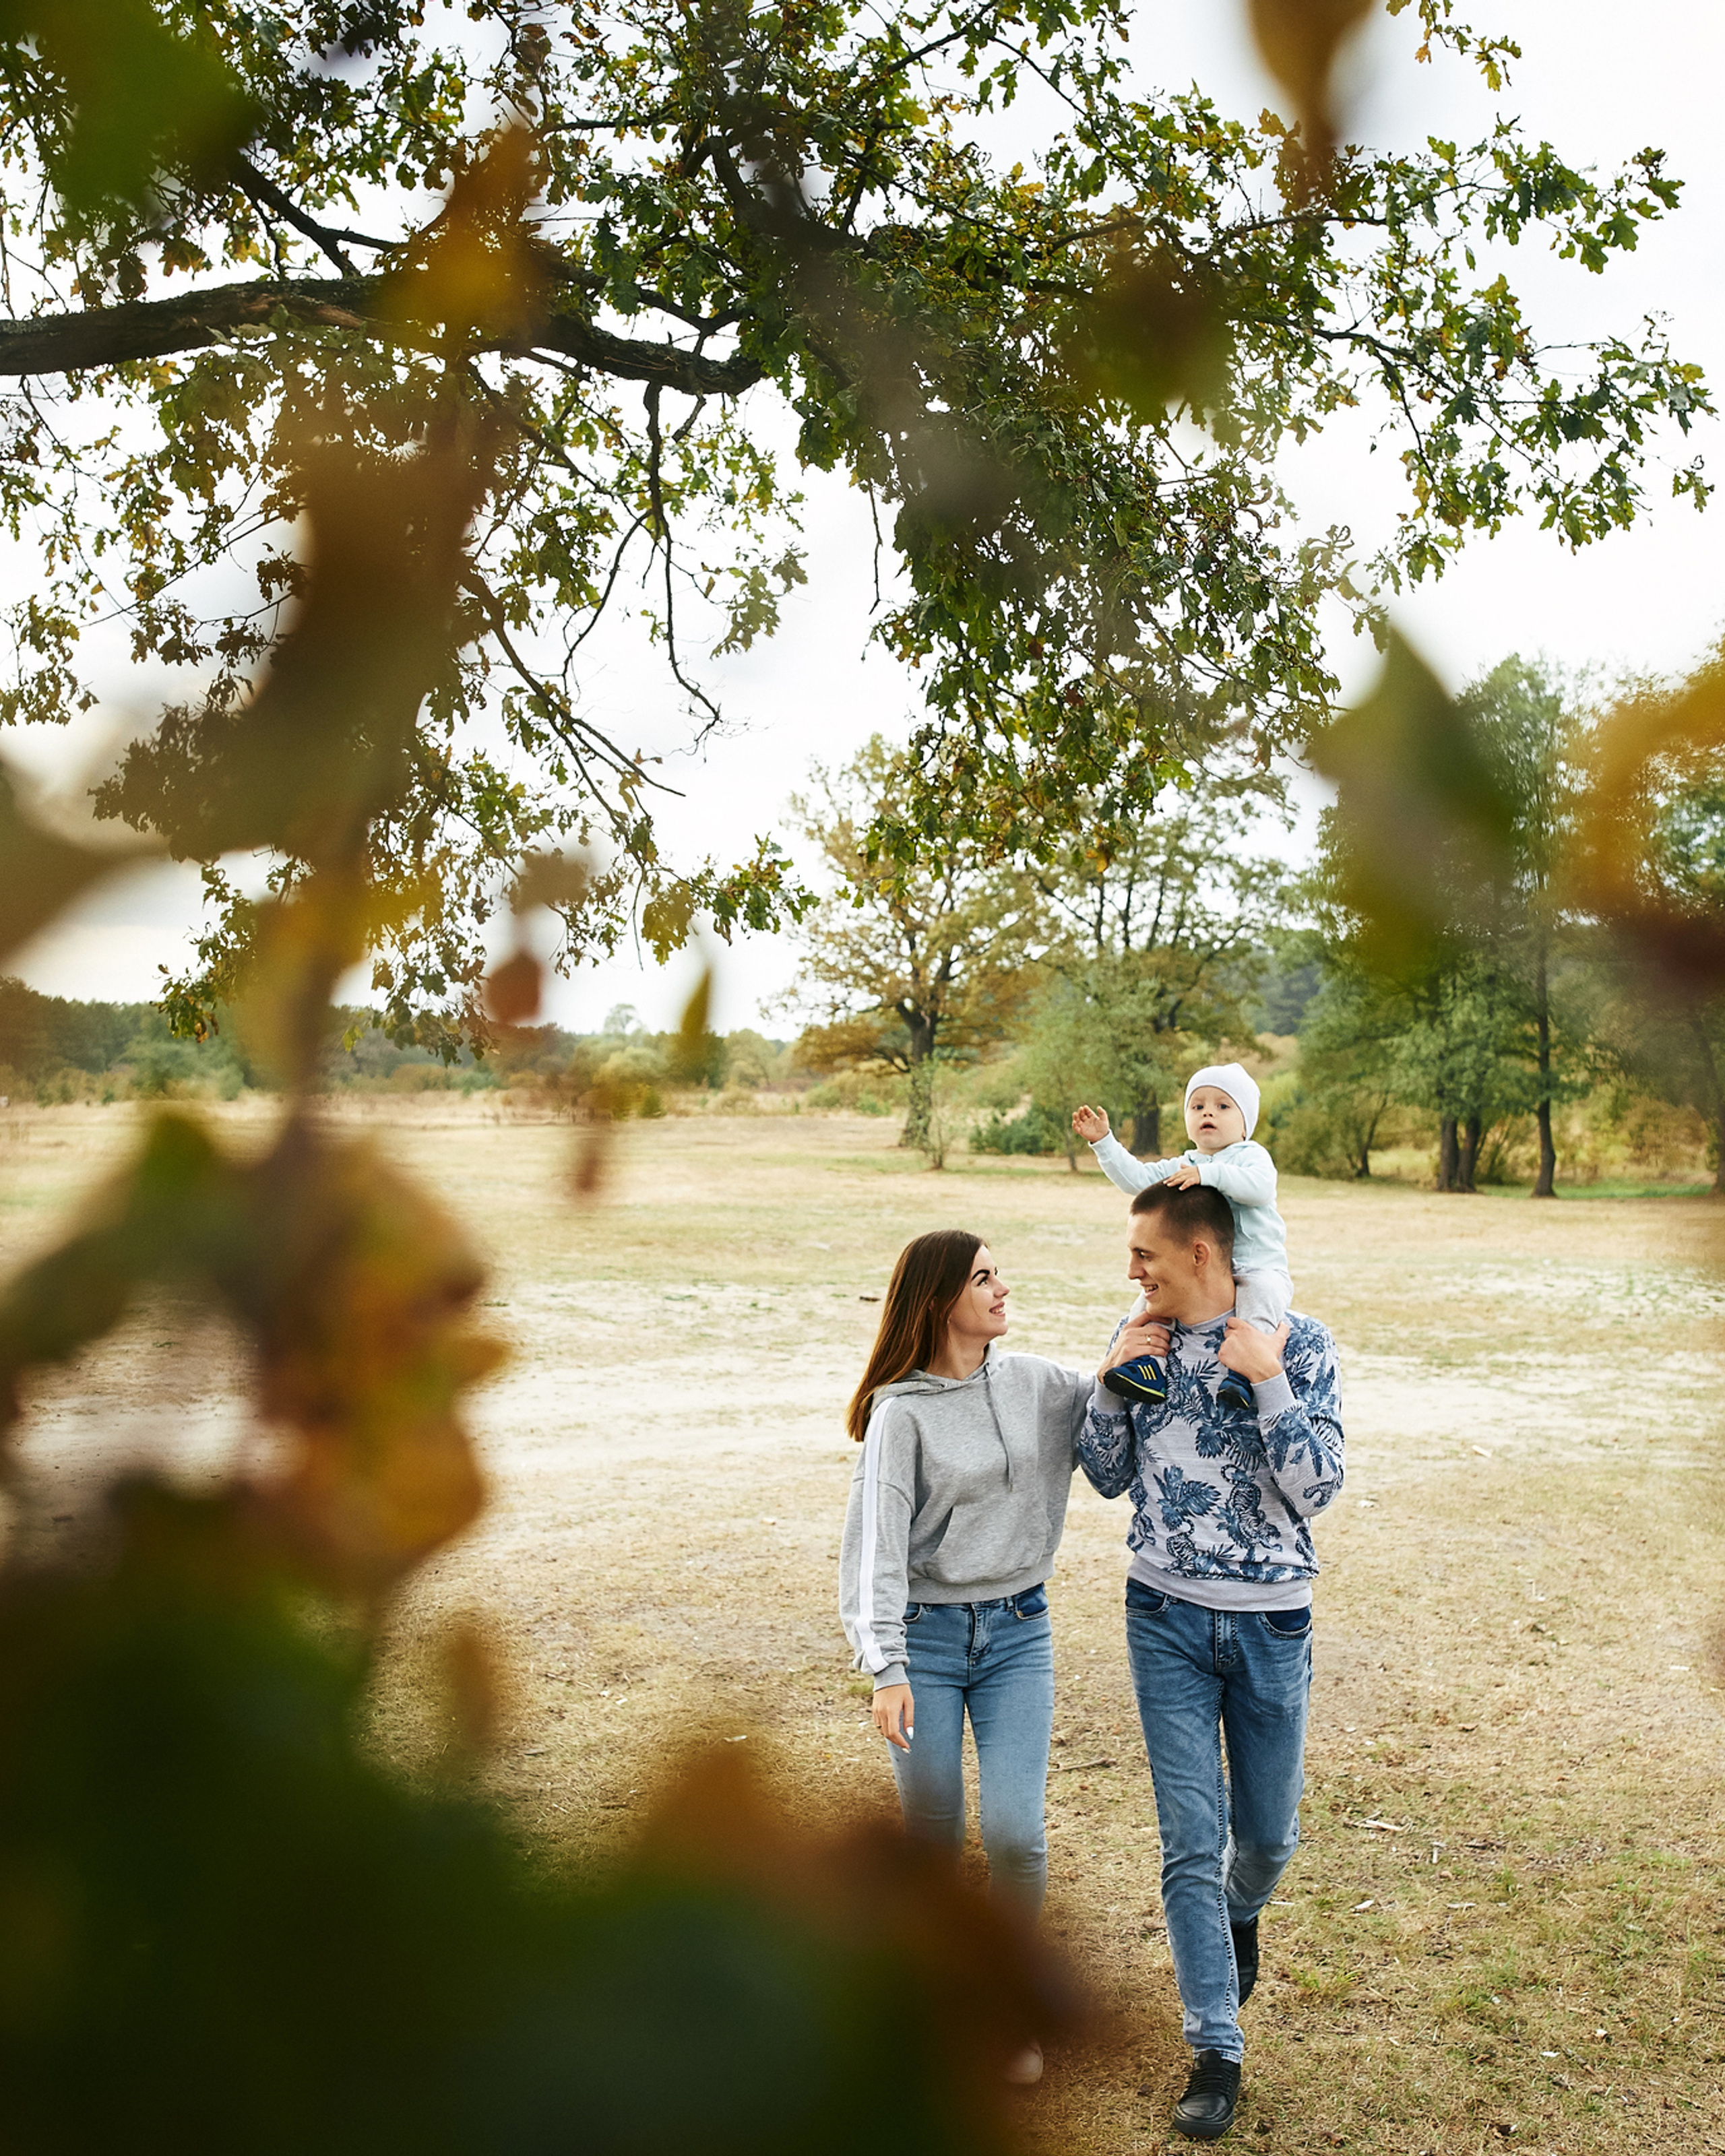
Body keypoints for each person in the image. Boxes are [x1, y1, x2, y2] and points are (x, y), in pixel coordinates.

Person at [1087, 1180, 1343, 2143]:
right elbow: (1107, 1475)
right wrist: (1114, 1381)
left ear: (1201, 1255)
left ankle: (1244, 1911)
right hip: (1163, 1616)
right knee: (1190, 1840)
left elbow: (1318, 1489)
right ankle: (1216, 2049)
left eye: (1145, 1255)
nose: (1132, 1272)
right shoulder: (1138, 1336)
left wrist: (1267, 1376)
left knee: (1267, 1837)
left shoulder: (1301, 1339)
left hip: (1273, 1622)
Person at [838, 1227, 1118, 2088]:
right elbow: (874, 1545)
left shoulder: (1036, 1382)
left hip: (1019, 1633)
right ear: (938, 1300)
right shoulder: (902, 1412)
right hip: (925, 1640)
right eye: (983, 1278)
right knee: (931, 1834)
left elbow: (1111, 1398)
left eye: (1000, 1273)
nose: (1003, 1288)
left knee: (1015, 1835)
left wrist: (1141, 1333)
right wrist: (884, 1665)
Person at [1072, 1061, 1288, 1411]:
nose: (1208, 1113)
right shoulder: (1183, 1165)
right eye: (1197, 1105)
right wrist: (1104, 1143)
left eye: (1223, 1106)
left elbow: (1260, 1189)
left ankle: (1243, 1377)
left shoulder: (1251, 1157)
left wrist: (1208, 1174)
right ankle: (1146, 1368)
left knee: (1260, 1305)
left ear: (1246, 1122)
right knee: (1145, 1307)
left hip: (1256, 1267)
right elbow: (1137, 1179)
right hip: (1193, 1273)